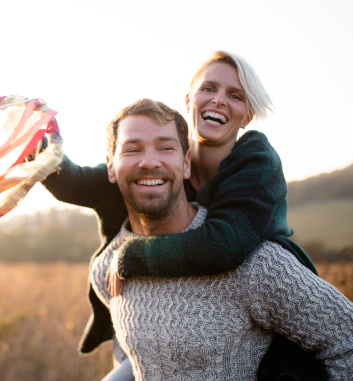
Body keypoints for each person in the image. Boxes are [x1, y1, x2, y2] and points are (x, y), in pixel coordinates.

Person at [41, 51, 326, 380]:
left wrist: (134, 253)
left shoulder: (257, 164)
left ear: (247, 115)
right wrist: (45, 158)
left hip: (265, 327)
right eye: (210, 89)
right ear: (189, 99)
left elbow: (222, 245)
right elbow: (83, 184)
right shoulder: (167, 155)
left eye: (234, 95)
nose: (219, 100)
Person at [90, 97, 353, 380]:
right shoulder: (107, 266)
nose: (150, 161)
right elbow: (131, 352)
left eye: (166, 147)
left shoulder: (252, 262)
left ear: (186, 163)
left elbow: (347, 340)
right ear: (111, 167)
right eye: (132, 149)